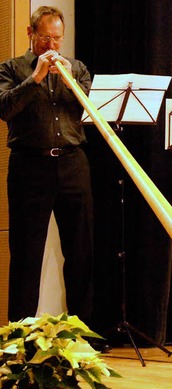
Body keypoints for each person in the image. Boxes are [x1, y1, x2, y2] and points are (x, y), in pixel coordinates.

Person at [0, 6, 94, 324]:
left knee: (81, 253)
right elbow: (5, 108)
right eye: (45, 39)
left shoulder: (77, 69)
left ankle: (83, 336)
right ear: (31, 34)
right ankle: (19, 339)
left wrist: (70, 83)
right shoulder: (11, 68)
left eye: (57, 39)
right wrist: (36, 77)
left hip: (72, 163)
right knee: (27, 255)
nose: (52, 47)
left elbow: (93, 111)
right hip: (30, 166)